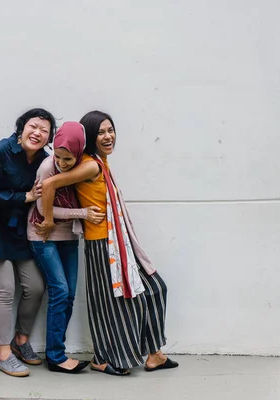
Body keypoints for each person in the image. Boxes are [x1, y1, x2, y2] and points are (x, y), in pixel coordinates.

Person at [39, 111, 179, 376]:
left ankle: (154, 354)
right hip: (102, 243)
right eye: (101, 132)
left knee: (153, 289)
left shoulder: (100, 162)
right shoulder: (91, 164)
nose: (108, 136)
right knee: (112, 303)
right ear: (90, 137)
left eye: (110, 130)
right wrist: (47, 220)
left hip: (116, 242)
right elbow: (49, 186)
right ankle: (103, 358)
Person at [0, 108, 56, 377]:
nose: (38, 132)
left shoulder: (45, 159)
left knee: (36, 287)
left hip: (23, 232)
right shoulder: (0, 153)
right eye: (33, 126)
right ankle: (4, 353)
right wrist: (27, 197)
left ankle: (21, 340)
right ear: (21, 128)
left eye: (44, 130)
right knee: (5, 290)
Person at [28, 121, 104, 373]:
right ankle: (56, 356)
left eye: (68, 159)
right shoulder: (46, 167)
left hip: (68, 235)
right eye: (58, 156)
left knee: (70, 293)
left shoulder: (84, 165)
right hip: (43, 234)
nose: (61, 163)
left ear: (80, 151)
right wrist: (83, 213)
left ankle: (57, 351)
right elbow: (42, 209)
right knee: (59, 290)